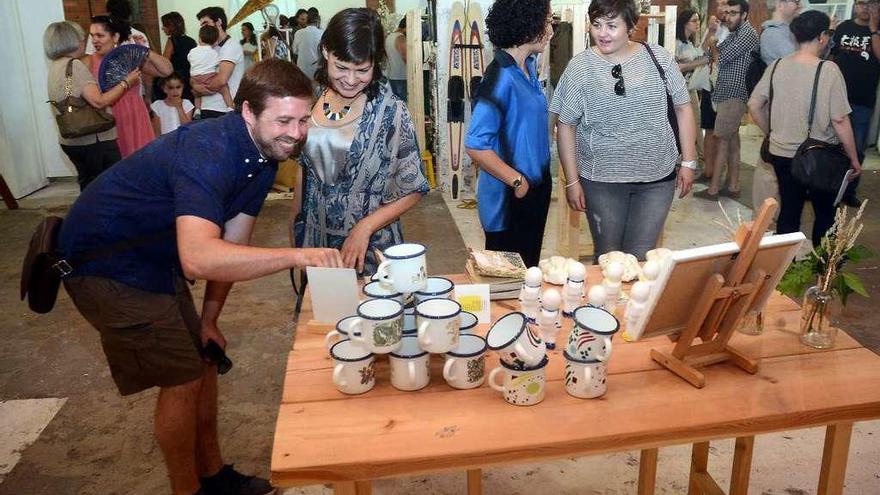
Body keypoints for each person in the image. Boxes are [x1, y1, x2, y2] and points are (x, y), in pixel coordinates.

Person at [59, 59, 343, 495]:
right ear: (247, 111)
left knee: (205, 357)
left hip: (153, 257)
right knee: (183, 375)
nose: (297, 131)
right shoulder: (208, 150)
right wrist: (298, 255)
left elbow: (233, 245)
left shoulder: (265, 154)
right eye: (284, 119)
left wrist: (210, 320)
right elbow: (198, 257)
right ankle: (187, 490)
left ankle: (214, 477)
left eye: (304, 119)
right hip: (103, 264)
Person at [551, 0, 697, 260]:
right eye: (596, 25)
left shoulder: (659, 58)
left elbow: (683, 108)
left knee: (641, 256)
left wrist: (688, 161)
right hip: (602, 181)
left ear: (630, 25)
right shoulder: (579, 68)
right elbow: (566, 125)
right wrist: (572, 180)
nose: (602, 33)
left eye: (611, 25)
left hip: (657, 178)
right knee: (608, 257)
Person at [293, 8, 429, 275]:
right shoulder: (309, 101)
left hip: (372, 249)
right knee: (322, 315)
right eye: (341, 67)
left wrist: (365, 226)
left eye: (362, 70)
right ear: (325, 52)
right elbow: (303, 175)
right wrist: (296, 235)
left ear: (375, 63)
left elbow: (415, 187)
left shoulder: (391, 112)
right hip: (317, 244)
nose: (351, 79)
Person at [748, 10, 862, 246]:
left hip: (781, 154)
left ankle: (784, 273)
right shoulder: (829, 70)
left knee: (789, 211)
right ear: (822, 36)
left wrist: (773, 131)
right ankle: (823, 273)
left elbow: (754, 104)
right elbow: (840, 120)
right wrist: (853, 158)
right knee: (825, 215)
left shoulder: (777, 66)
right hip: (820, 156)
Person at [464, 0, 554, 268]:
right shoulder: (500, 77)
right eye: (548, 21)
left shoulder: (527, 67)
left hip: (534, 191)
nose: (551, 30)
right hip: (510, 200)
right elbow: (475, 144)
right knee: (508, 282)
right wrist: (516, 181)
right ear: (529, 23)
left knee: (530, 274)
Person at [44, 21, 139, 191]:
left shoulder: (57, 66)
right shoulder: (76, 65)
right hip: (92, 138)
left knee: (88, 186)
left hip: (71, 138)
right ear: (72, 41)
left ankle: (86, 216)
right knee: (108, 188)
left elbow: (69, 93)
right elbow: (99, 101)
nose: (85, 42)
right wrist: (126, 82)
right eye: (83, 38)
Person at [695, 0, 758, 201]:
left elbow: (721, 57)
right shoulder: (734, 32)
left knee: (721, 140)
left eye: (733, 13)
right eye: (727, 12)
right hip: (726, 93)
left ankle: (713, 190)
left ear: (744, 15)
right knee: (731, 142)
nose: (728, 16)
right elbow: (712, 55)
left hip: (734, 93)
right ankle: (733, 185)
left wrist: (714, 45)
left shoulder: (747, 33)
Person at [87, 15, 172, 158]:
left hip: (135, 115)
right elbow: (75, 89)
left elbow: (166, 70)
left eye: (100, 35)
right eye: (92, 36)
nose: (95, 40)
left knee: (142, 163)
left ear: (115, 37)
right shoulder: (88, 61)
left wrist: (143, 50)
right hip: (108, 118)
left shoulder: (128, 58)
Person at [752, 0, 799, 212]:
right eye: (795, 1)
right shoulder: (773, 34)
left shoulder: (787, 31)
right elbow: (797, 65)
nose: (800, 5)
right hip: (778, 103)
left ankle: (772, 215)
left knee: (777, 162)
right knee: (771, 163)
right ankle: (764, 218)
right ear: (781, 3)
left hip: (787, 104)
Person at [831, 0, 880, 207]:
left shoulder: (878, 31)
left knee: (856, 147)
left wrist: (874, 30)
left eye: (871, 3)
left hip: (862, 100)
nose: (866, 7)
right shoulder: (844, 27)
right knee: (831, 144)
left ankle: (849, 190)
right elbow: (831, 57)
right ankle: (824, 185)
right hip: (836, 97)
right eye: (861, 3)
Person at [676, 9, 713, 171]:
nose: (697, 24)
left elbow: (699, 53)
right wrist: (698, 62)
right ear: (684, 22)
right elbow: (678, 67)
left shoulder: (688, 42)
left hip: (689, 87)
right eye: (694, 21)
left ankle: (700, 156)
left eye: (698, 20)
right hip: (680, 88)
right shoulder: (676, 43)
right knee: (689, 123)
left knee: (696, 122)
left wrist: (709, 32)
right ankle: (692, 157)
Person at [193, 6, 245, 119]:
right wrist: (194, 85)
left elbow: (221, 80)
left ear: (219, 22)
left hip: (222, 109)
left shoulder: (231, 46)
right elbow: (195, 73)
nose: (203, 28)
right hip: (206, 108)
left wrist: (200, 88)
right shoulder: (206, 47)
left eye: (206, 23)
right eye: (201, 25)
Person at [189, 25, 235, 118]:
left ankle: (197, 109)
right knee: (224, 88)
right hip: (208, 77)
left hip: (195, 78)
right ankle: (230, 107)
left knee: (197, 94)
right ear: (215, 42)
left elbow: (189, 59)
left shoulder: (192, 51)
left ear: (199, 38)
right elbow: (218, 63)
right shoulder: (214, 52)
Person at [157, 11, 196, 102]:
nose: (162, 28)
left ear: (171, 26)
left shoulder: (172, 41)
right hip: (189, 80)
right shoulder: (192, 41)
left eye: (164, 25)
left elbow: (164, 63)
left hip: (175, 81)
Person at [292, 9, 323, 81]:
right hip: (317, 70)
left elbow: (294, 51)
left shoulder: (298, 33)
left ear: (307, 21)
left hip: (302, 70)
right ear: (317, 22)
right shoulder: (322, 33)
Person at [385, 17, 408, 101]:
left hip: (391, 75)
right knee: (403, 103)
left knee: (396, 103)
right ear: (406, 27)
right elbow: (405, 57)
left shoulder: (389, 37)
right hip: (401, 76)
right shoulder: (401, 38)